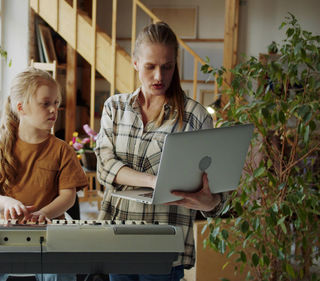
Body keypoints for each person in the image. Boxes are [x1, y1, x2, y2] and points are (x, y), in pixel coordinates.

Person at [95, 22, 227, 281]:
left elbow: (217, 198)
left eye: (167, 67)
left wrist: (209, 202)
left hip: (165, 244)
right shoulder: (115, 108)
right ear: (135, 63)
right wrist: (154, 181)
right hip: (117, 236)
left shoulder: (195, 118)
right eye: (150, 66)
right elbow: (104, 167)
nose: (159, 76)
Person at [0, 67, 89, 281]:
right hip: (3, 227)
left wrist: (43, 214)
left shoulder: (62, 150)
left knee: (62, 272)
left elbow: (68, 196)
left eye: (56, 103)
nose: (54, 109)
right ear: (21, 108)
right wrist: (6, 203)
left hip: (49, 226)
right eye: (46, 103)